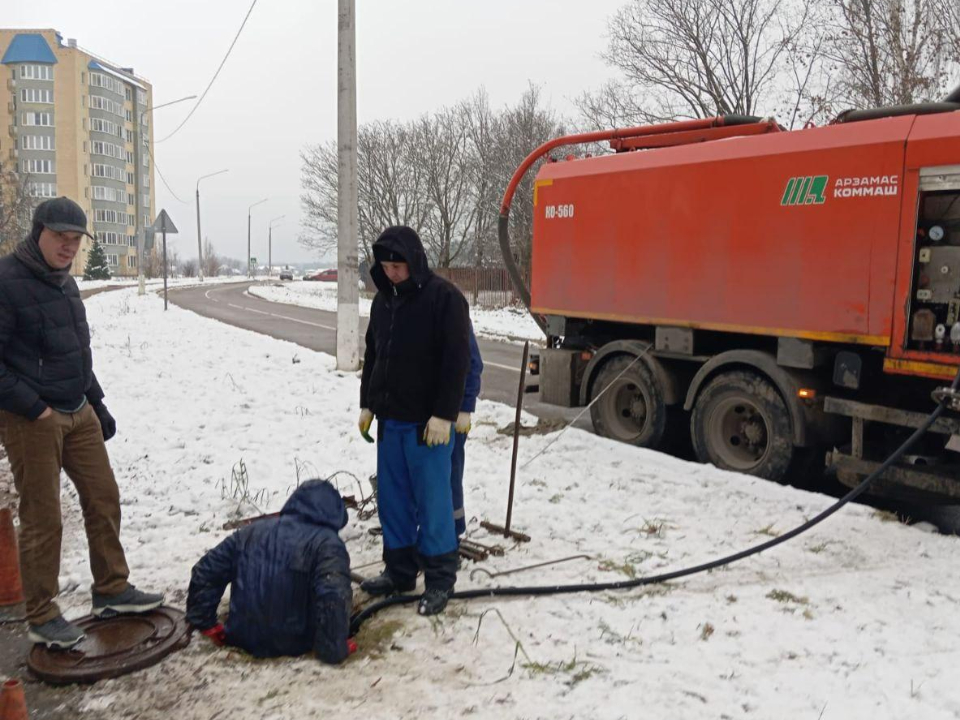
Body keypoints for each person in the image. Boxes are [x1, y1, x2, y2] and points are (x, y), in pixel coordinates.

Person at [0, 197, 163, 649]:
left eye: (75, 240)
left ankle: (111, 590)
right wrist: (34, 408)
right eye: (61, 238)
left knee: (103, 496)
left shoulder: (66, 285)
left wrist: (98, 403)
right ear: (38, 233)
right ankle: (41, 614)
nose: (69, 247)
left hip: (78, 409)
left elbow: (77, 354)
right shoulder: (7, 280)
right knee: (43, 517)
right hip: (32, 418)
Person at [358, 226, 470, 616]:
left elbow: (458, 361)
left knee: (434, 503)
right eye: (386, 267)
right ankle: (400, 571)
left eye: (398, 267)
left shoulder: (445, 299)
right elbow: (374, 355)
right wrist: (368, 404)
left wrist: (445, 414)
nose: (392, 274)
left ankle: (440, 580)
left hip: (428, 428)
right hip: (391, 423)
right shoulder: (382, 303)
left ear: (415, 261)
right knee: (394, 503)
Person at [185, 479, 354, 664]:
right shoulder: (328, 543)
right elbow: (334, 596)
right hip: (297, 645)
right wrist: (334, 648)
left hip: (241, 638)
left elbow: (206, 571)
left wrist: (204, 623)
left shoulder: (249, 532)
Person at [452, 325, 483, 541]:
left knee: (450, 476)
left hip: (453, 416)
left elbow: (473, 363)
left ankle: (452, 535)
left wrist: (465, 407)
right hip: (426, 416)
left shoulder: (451, 308)